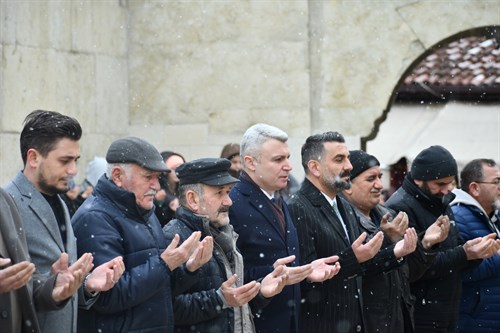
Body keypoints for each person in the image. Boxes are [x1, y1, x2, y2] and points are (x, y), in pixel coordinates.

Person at [2, 110, 125, 333]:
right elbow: (16, 295)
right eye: (64, 161)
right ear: (33, 157)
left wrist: (86, 284)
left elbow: (61, 284)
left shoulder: (59, 201)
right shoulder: (7, 203)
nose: (73, 170)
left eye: (76, 160)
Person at [72, 136, 210, 333]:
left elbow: (160, 289)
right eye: (148, 177)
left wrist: (189, 269)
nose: (156, 185)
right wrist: (165, 264)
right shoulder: (95, 218)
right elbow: (107, 298)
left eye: (157, 177)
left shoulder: (144, 211)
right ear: (118, 176)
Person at [287, 132, 418, 333]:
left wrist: (395, 252)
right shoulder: (299, 207)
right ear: (315, 168)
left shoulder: (343, 205)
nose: (348, 166)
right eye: (339, 159)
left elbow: (361, 267)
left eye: (347, 158)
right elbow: (304, 279)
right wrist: (352, 259)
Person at [163, 157, 298, 332]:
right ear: (193, 199)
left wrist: (260, 290)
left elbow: (233, 306)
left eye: (228, 192)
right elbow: (166, 308)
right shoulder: (174, 238)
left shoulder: (225, 233)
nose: (229, 201)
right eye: (220, 193)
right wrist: (219, 300)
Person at [229, 124, 341, 333]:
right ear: (250, 163)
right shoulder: (232, 204)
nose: (289, 166)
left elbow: (284, 259)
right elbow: (228, 275)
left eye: (288, 157)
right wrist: (273, 274)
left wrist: (305, 270)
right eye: (278, 159)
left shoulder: (278, 198)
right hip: (258, 324)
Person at [386, 145, 500, 333]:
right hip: (420, 315)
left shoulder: (440, 201)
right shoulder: (401, 208)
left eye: (450, 183)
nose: (447, 190)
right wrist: (464, 253)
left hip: (446, 312)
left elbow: (453, 255)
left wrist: (474, 252)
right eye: (440, 184)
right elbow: (412, 269)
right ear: (418, 180)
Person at [343, 150, 450, 333]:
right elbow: (353, 275)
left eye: (379, 177)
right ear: (347, 186)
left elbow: (409, 274)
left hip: (397, 321)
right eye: (370, 179)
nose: (379, 185)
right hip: (368, 323)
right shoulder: (342, 222)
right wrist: (386, 240)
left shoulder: (390, 216)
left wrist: (426, 244)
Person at [451, 158, 500, 332]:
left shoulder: (494, 216)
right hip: (476, 321)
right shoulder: (458, 217)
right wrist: (497, 257)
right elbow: (458, 271)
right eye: (496, 182)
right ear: (474, 188)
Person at [155, 151, 186, 226]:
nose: (178, 172)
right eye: (174, 168)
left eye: (181, 167)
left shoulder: (184, 187)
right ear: (165, 171)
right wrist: (158, 202)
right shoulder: (158, 189)